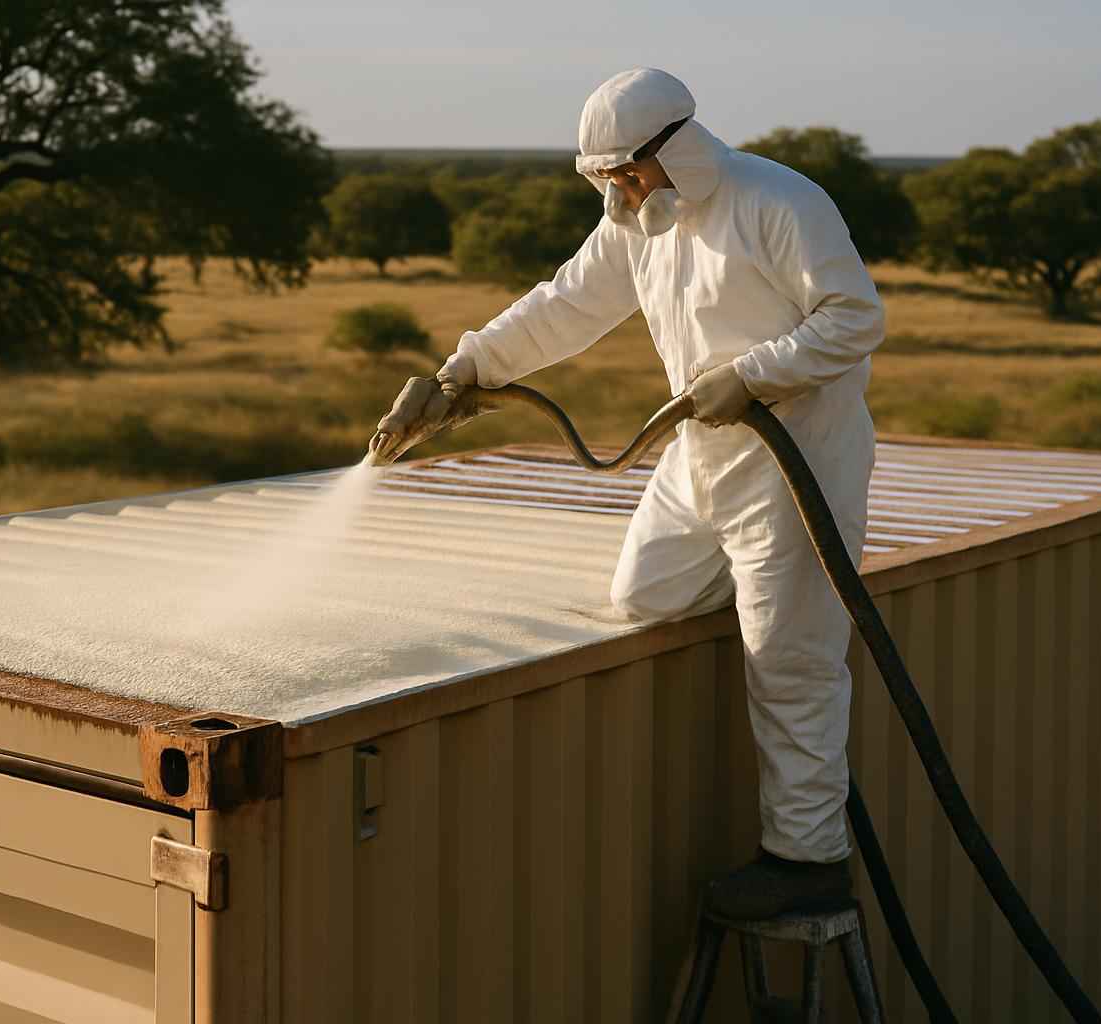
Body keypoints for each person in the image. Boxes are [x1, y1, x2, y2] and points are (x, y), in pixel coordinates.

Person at [370, 67, 884, 920]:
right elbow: (563, 306)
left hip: (795, 457)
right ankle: (773, 593)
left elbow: (854, 318)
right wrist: (463, 372)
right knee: (645, 594)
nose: (618, 188)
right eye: (604, 176)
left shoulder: (778, 202)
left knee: (789, 661)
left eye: (627, 172)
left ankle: (806, 858)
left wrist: (753, 375)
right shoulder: (642, 226)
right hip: (700, 452)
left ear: (675, 147)